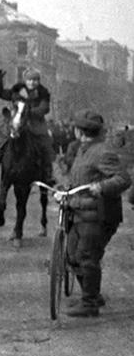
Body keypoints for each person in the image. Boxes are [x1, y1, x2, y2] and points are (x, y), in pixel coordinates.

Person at [62, 110, 131, 317]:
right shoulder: (82, 150)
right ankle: (92, 293)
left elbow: (123, 179)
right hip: (80, 213)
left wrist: (100, 187)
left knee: (86, 256)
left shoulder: (102, 152)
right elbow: (77, 180)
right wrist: (64, 190)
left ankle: (90, 303)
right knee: (72, 256)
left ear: (79, 131)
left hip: (99, 215)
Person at [0, 67, 54, 183]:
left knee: (45, 144)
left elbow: (44, 108)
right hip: (16, 124)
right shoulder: (17, 91)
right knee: (2, 143)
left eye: (35, 80)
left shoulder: (43, 93)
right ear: (25, 81)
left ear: (38, 81)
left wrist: (28, 112)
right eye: (29, 80)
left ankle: (48, 174)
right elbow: (0, 93)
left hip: (34, 124)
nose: (32, 82)